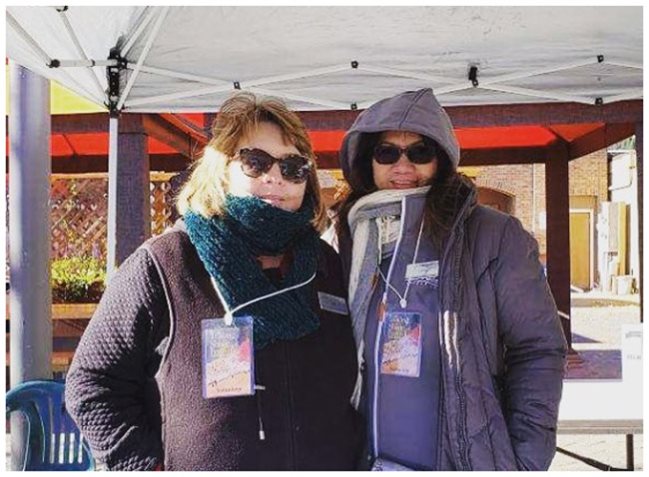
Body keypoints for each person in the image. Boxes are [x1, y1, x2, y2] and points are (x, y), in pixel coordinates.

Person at [65, 92, 363, 471]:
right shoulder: (165, 262)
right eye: (255, 162)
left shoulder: (326, 264)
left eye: (293, 167)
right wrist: (142, 466)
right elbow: (93, 383)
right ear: (220, 168)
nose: (275, 177)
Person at [333, 88, 567, 471]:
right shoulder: (347, 238)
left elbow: (538, 349)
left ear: (441, 158)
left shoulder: (493, 236)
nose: (403, 165)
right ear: (367, 161)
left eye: (420, 151)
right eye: (387, 152)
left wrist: (525, 461)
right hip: (367, 460)